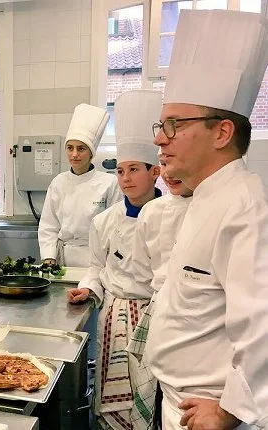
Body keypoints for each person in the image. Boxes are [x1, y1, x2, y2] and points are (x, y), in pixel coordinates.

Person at [146, 9, 268, 430]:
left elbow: (262, 323)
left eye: (175, 125)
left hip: (210, 412)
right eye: (161, 125)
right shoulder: (204, 200)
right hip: (181, 402)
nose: (160, 138)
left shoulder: (244, 208)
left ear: (221, 133)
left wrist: (229, 411)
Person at [67, 89, 162, 430]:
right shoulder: (104, 221)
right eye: (120, 171)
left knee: (148, 403)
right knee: (111, 404)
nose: (125, 179)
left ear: (156, 172)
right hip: (114, 318)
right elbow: (96, 268)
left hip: (154, 319)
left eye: (134, 169)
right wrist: (88, 289)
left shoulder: (174, 216)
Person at [124, 158, 193, 428]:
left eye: (177, 163)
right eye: (164, 164)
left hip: (196, 327)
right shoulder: (151, 212)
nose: (169, 172)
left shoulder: (215, 206)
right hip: (161, 316)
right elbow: (141, 270)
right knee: (158, 397)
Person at [39, 104, 122, 268]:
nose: (74, 154)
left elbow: (115, 227)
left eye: (81, 148)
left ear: (91, 153)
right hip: (63, 259)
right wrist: (49, 259)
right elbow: (48, 225)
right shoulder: (58, 182)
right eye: (70, 148)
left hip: (96, 259)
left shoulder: (109, 183)